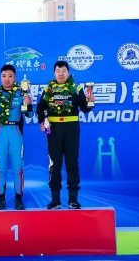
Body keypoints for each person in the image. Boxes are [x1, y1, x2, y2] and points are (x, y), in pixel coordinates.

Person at [36, 61, 95, 210]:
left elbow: (85, 109)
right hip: (54, 130)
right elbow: (40, 108)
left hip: (71, 129)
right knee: (54, 164)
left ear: (68, 73)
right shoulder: (48, 89)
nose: (61, 73)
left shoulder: (76, 88)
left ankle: (73, 200)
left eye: (64, 70)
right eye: (58, 70)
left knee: (72, 163)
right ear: (54, 73)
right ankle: (55, 200)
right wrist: (42, 121)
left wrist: (90, 102)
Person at [0, 64, 32, 210]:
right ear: (0, 77)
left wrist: (29, 104)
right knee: (1, 168)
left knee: (17, 168)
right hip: (0, 133)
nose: (7, 79)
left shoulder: (21, 93)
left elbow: (30, 114)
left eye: (10, 76)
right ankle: (1, 199)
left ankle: (18, 199)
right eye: (4, 76)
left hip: (16, 133)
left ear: (15, 77)